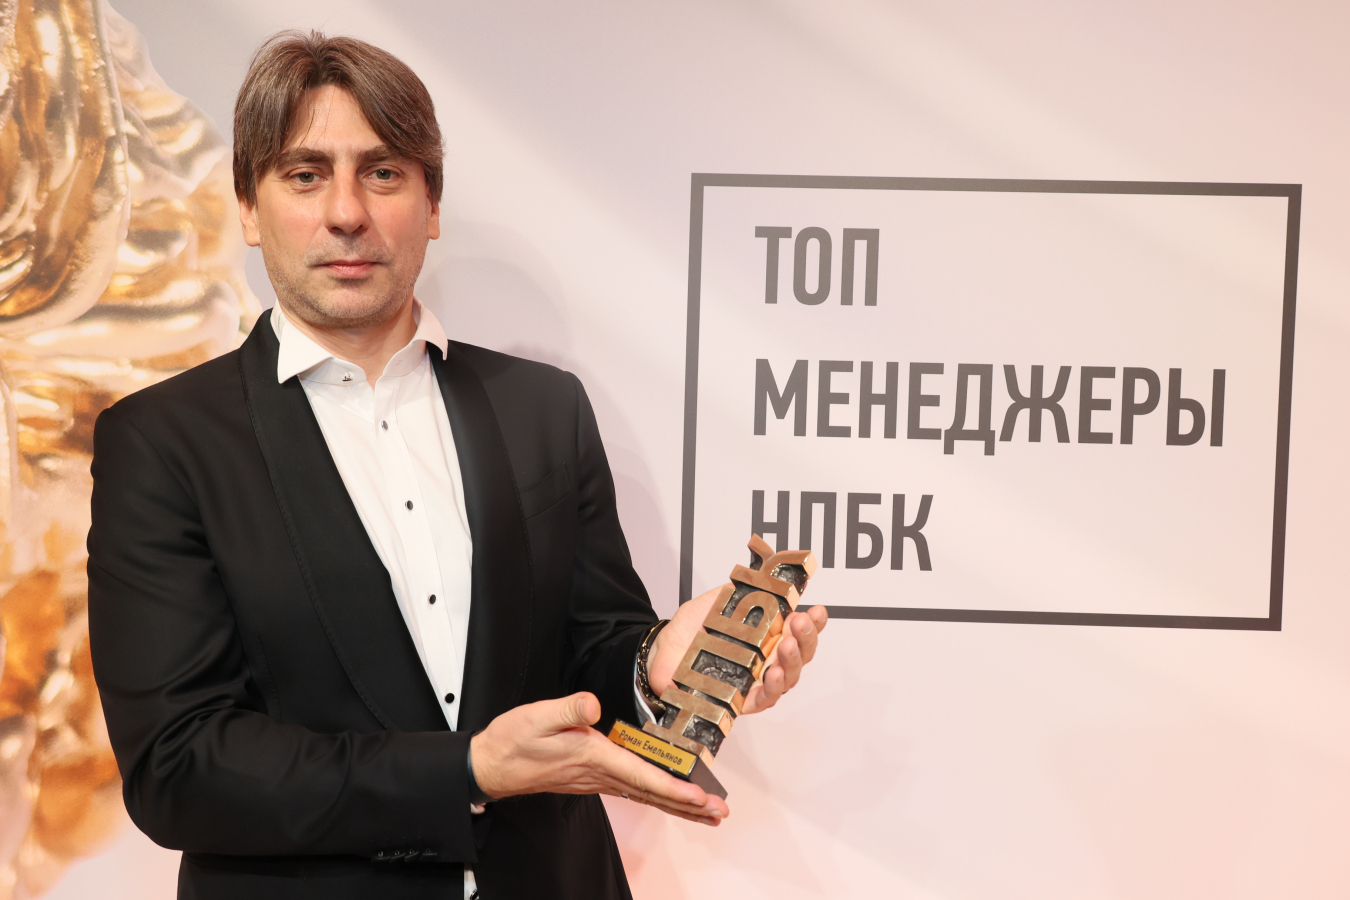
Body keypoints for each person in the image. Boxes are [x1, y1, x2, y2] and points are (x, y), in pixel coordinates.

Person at [87, 30, 827, 900]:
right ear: (249, 210)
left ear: (431, 204)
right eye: (305, 174)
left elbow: (594, 652)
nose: (346, 212)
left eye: (383, 172)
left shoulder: (542, 409)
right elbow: (180, 768)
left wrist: (658, 665)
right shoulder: (162, 442)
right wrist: (468, 770)